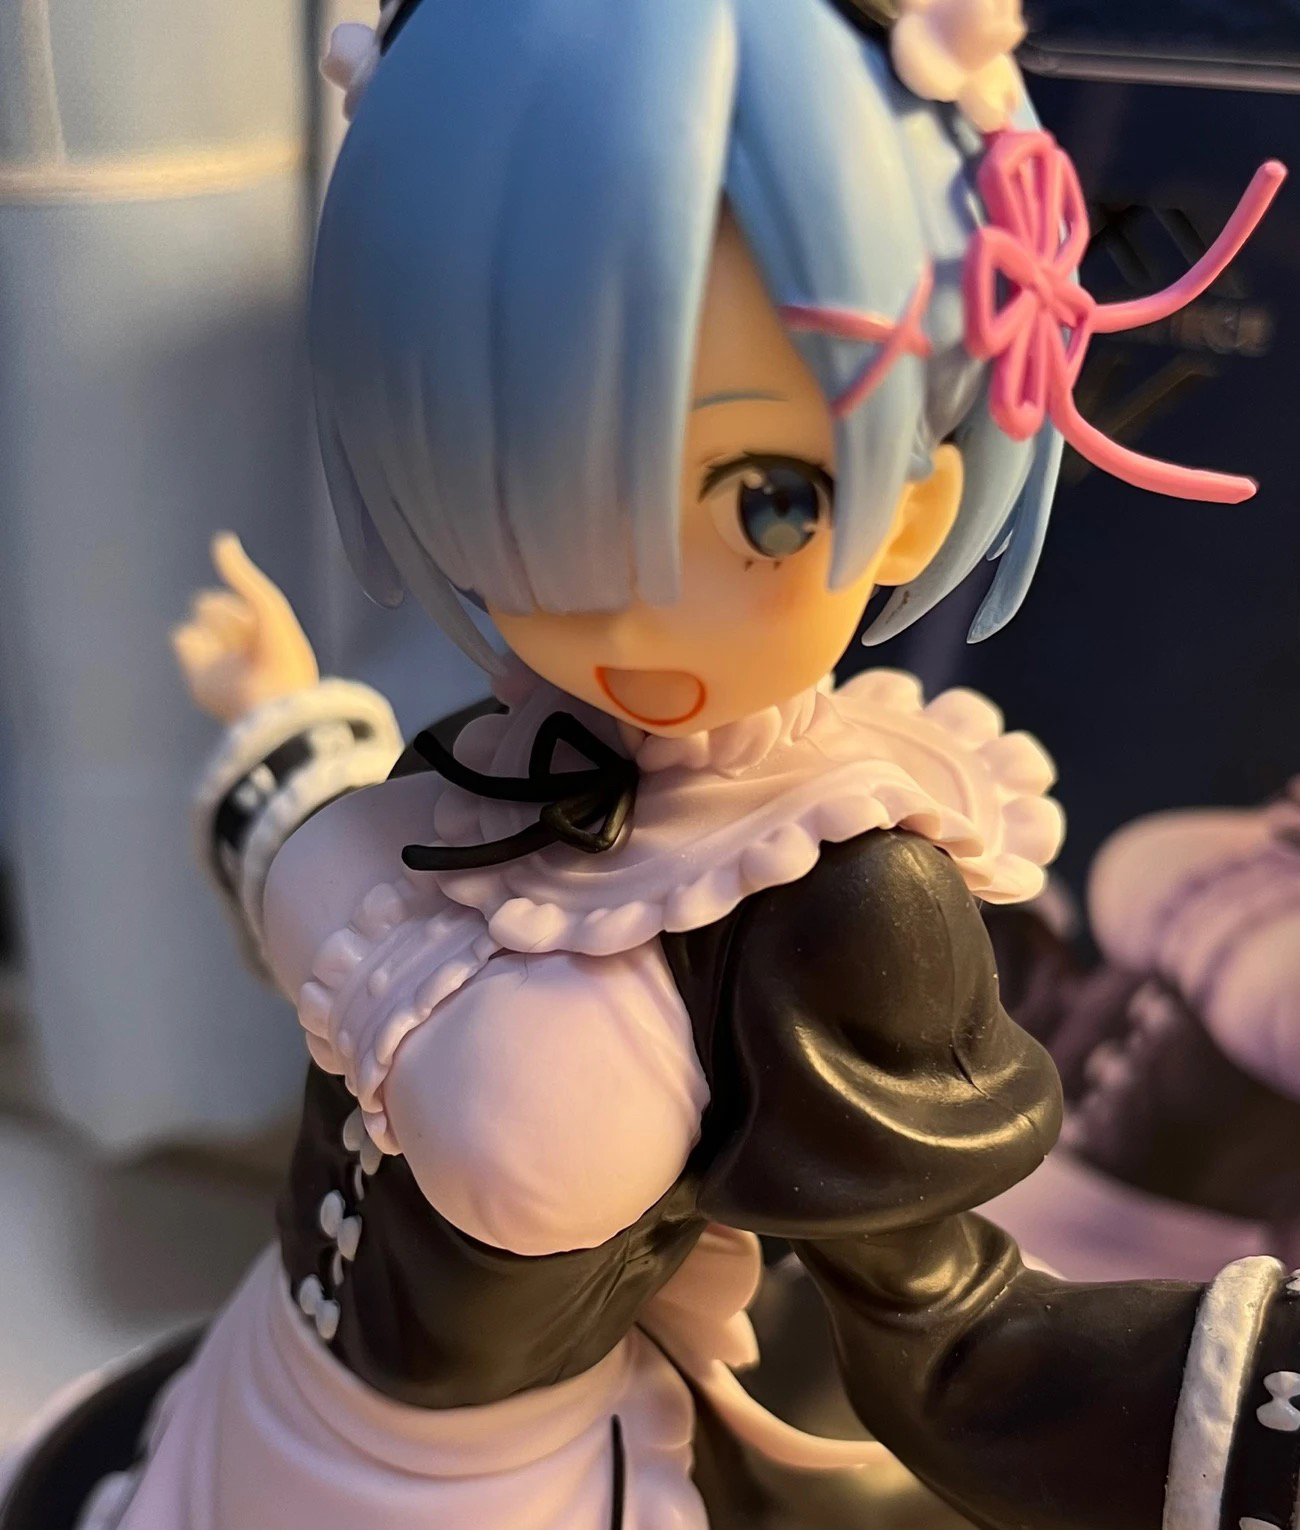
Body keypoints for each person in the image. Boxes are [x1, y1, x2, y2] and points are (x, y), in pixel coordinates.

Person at [10, 2, 1295, 1528]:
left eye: (767, 503)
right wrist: (278, 713)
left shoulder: (840, 896)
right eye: (522, 491)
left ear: (911, 505)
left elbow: (957, 1336)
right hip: (252, 1394)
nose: (623, 611)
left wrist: (1256, 1409)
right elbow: (333, 884)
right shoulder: (505, 749)